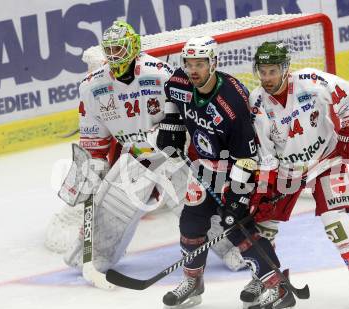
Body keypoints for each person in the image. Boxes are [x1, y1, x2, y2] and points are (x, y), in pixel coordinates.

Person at [58, 21, 244, 279]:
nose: (114, 57)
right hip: (134, 155)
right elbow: (93, 142)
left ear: (133, 48)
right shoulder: (92, 86)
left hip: (170, 151)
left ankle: (236, 246)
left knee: (195, 201)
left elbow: (191, 112)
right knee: (111, 207)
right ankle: (95, 255)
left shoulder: (158, 73)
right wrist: (92, 167)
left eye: (119, 50)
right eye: (109, 51)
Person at [156, 36, 298, 309]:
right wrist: (171, 126)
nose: (193, 70)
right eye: (189, 64)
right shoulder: (180, 81)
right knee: (191, 223)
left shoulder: (232, 100)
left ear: (214, 63)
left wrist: (237, 193)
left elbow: (248, 155)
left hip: (237, 165)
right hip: (202, 165)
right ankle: (193, 283)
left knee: (237, 226)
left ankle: (278, 287)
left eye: (200, 64)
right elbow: (171, 95)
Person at [245, 41, 349, 309]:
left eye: (272, 71)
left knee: (335, 222)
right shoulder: (257, 102)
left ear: (285, 69)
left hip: (325, 160)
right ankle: (266, 279)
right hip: (287, 169)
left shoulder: (310, 81)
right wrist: (264, 188)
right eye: (263, 71)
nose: (267, 78)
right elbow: (265, 152)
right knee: (264, 226)